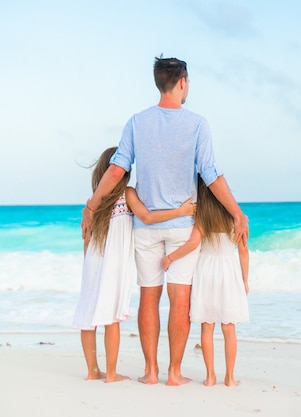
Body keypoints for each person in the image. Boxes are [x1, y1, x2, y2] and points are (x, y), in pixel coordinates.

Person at [80, 57, 249, 386]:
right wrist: (237, 213)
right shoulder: (197, 124)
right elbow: (211, 174)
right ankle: (174, 373)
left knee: (149, 297)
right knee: (180, 300)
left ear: (160, 83)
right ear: (182, 82)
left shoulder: (137, 122)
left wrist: (91, 205)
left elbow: (116, 169)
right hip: (182, 223)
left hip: (146, 227)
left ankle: (151, 372)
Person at [74, 146, 194, 383]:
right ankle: (110, 373)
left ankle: (92, 371)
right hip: (113, 266)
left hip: (92, 264)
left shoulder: (92, 203)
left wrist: (88, 266)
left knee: (88, 314)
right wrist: (181, 211)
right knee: (111, 316)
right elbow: (148, 217)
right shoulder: (126, 194)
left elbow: (85, 239)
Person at [162, 175, 249, 387]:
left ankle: (210, 377)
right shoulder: (235, 217)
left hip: (206, 271)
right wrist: (245, 280)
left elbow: (193, 243)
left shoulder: (201, 215)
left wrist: (170, 257)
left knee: (207, 326)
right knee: (229, 327)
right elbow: (244, 252)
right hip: (228, 272)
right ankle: (229, 377)